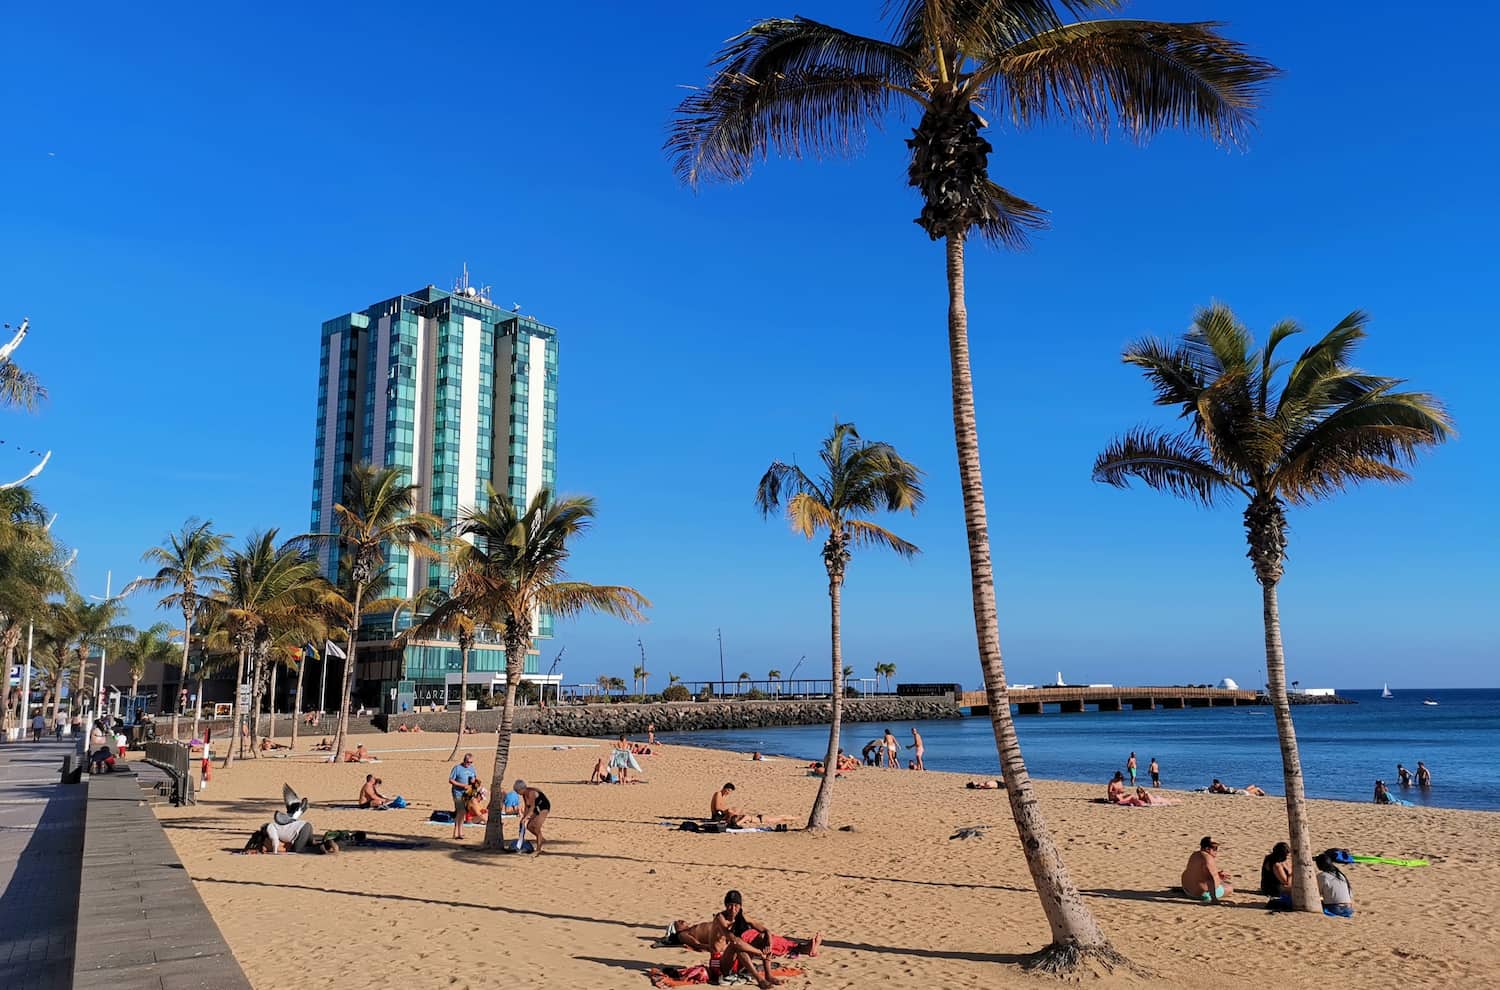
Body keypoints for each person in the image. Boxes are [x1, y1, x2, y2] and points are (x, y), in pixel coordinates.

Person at [1182, 836, 1233, 903]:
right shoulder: (1208, 859)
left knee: (1221, 882)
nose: (1216, 851)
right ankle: (1210, 896)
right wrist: (1214, 899)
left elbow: (1198, 873)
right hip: (1201, 894)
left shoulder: (1195, 854)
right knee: (1229, 888)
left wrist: (1217, 876)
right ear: (1207, 848)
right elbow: (1209, 878)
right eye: (1215, 848)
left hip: (1187, 889)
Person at [512, 779, 550, 854]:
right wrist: (523, 817)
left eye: (517, 791)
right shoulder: (524, 794)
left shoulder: (531, 793)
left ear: (521, 789)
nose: (517, 793)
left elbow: (532, 808)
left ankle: (538, 849)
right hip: (536, 807)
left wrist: (526, 818)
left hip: (543, 807)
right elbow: (527, 806)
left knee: (536, 827)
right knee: (529, 826)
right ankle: (540, 838)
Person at [448, 753, 478, 839]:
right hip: (457, 792)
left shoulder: (472, 769)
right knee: (460, 811)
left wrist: (473, 781)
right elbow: (451, 780)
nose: (469, 764)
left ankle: (460, 832)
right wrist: (462, 785)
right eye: (468, 762)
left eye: (471, 762)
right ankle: (456, 832)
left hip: (467, 793)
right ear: (464, 760)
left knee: (463, 812)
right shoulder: (457, 768)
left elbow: (474, 779)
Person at [1315, 851, 1354, 916]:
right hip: (1348, 908)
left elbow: (1317, 893)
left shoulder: (1322, 876)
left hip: (1335, 908)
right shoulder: (1341, 875)